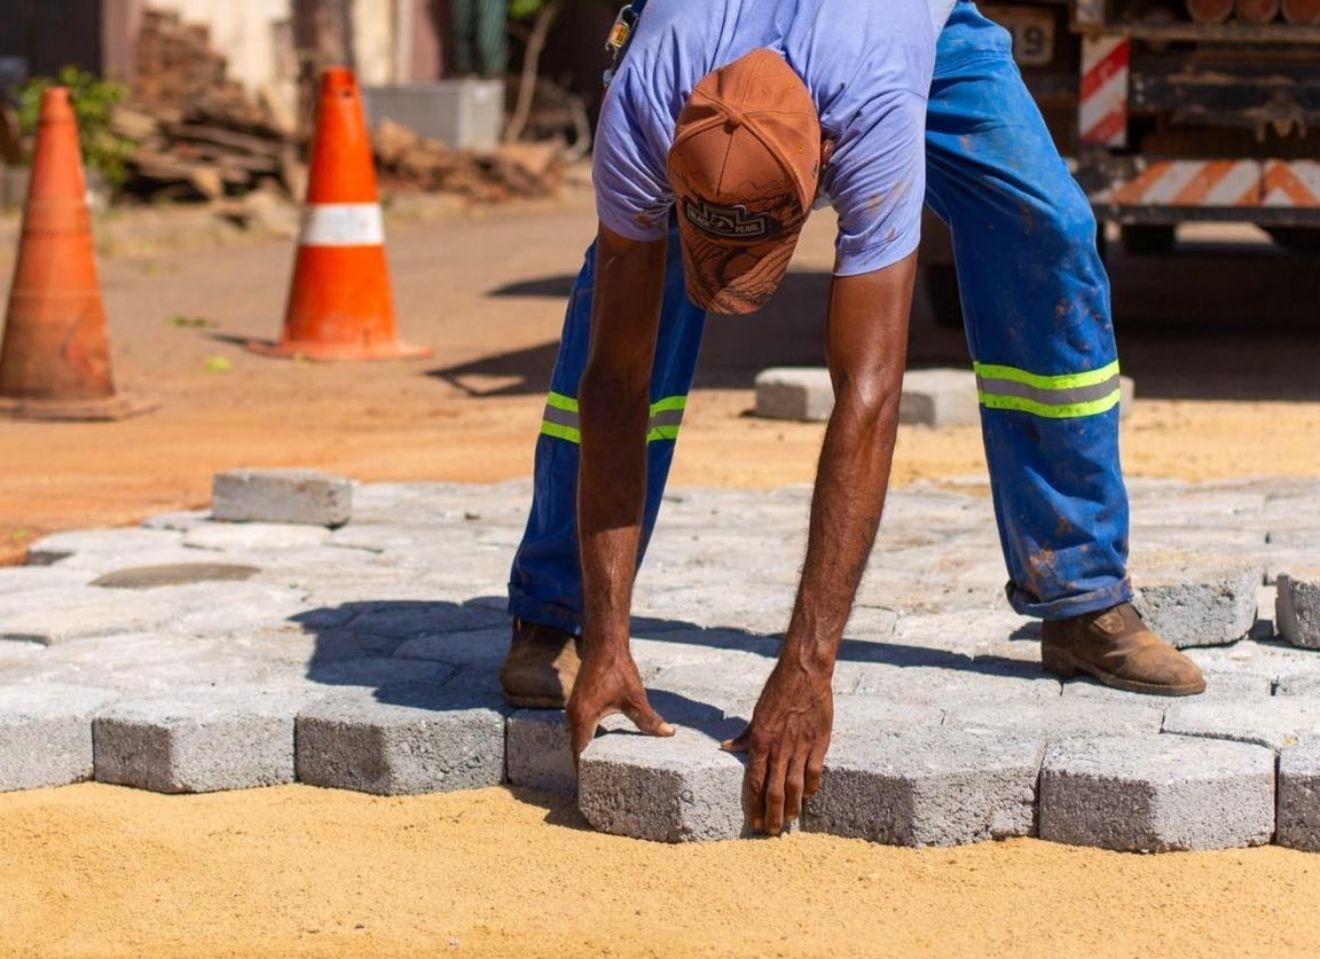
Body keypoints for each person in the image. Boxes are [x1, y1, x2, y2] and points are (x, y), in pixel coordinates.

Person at [502, 0, 1206, 836]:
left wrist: (808, 665)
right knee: (618, 314)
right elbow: (614, 378)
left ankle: (1082, 590)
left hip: (900, 24)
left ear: (823, 172)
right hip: (724, 48)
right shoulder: (650, 94)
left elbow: (866, 395)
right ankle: (561, 608)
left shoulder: (875, 115)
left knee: (1046, 229)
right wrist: (610, 632)